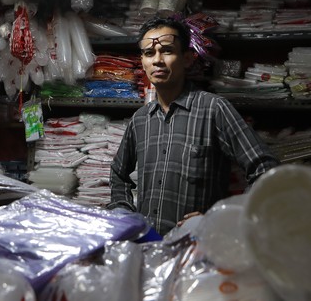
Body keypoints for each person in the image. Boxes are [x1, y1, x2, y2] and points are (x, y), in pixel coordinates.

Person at [107, 15, 279, 235]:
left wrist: (223, 216)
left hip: (196, 249)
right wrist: (123, 211)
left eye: (167, 51)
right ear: (142, 62)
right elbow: (118, 173)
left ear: (187, 58)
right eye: (149, 53)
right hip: (148, 246)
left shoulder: (213, 109)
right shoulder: (141, 119)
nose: (157, 60)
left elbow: (267, 171)